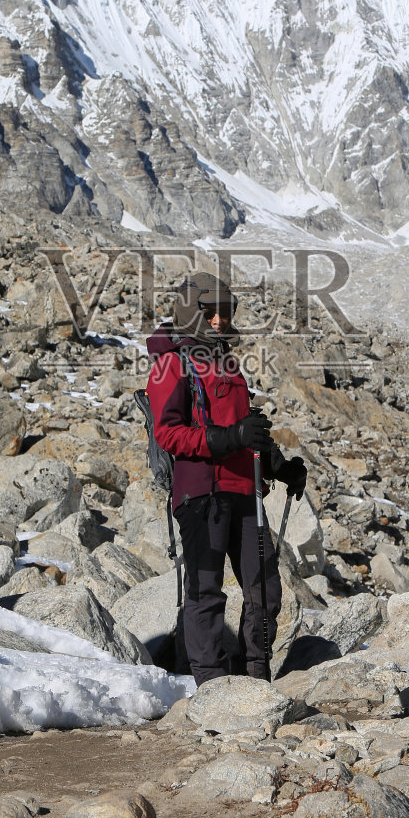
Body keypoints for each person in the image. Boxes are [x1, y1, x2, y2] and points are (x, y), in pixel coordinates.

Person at [145, 273, 306, 684]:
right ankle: (212, 686)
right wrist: (232, 436)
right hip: (201, 494)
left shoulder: (229, 366)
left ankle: (255, 678)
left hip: (245, 492)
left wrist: (279, 466)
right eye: (210, 311)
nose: (219, 320)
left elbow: (243, 430)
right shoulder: (170, 364)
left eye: (225, 312)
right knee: (207, 592)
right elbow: (169, 433)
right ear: (190, 312)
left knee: (265, 589)